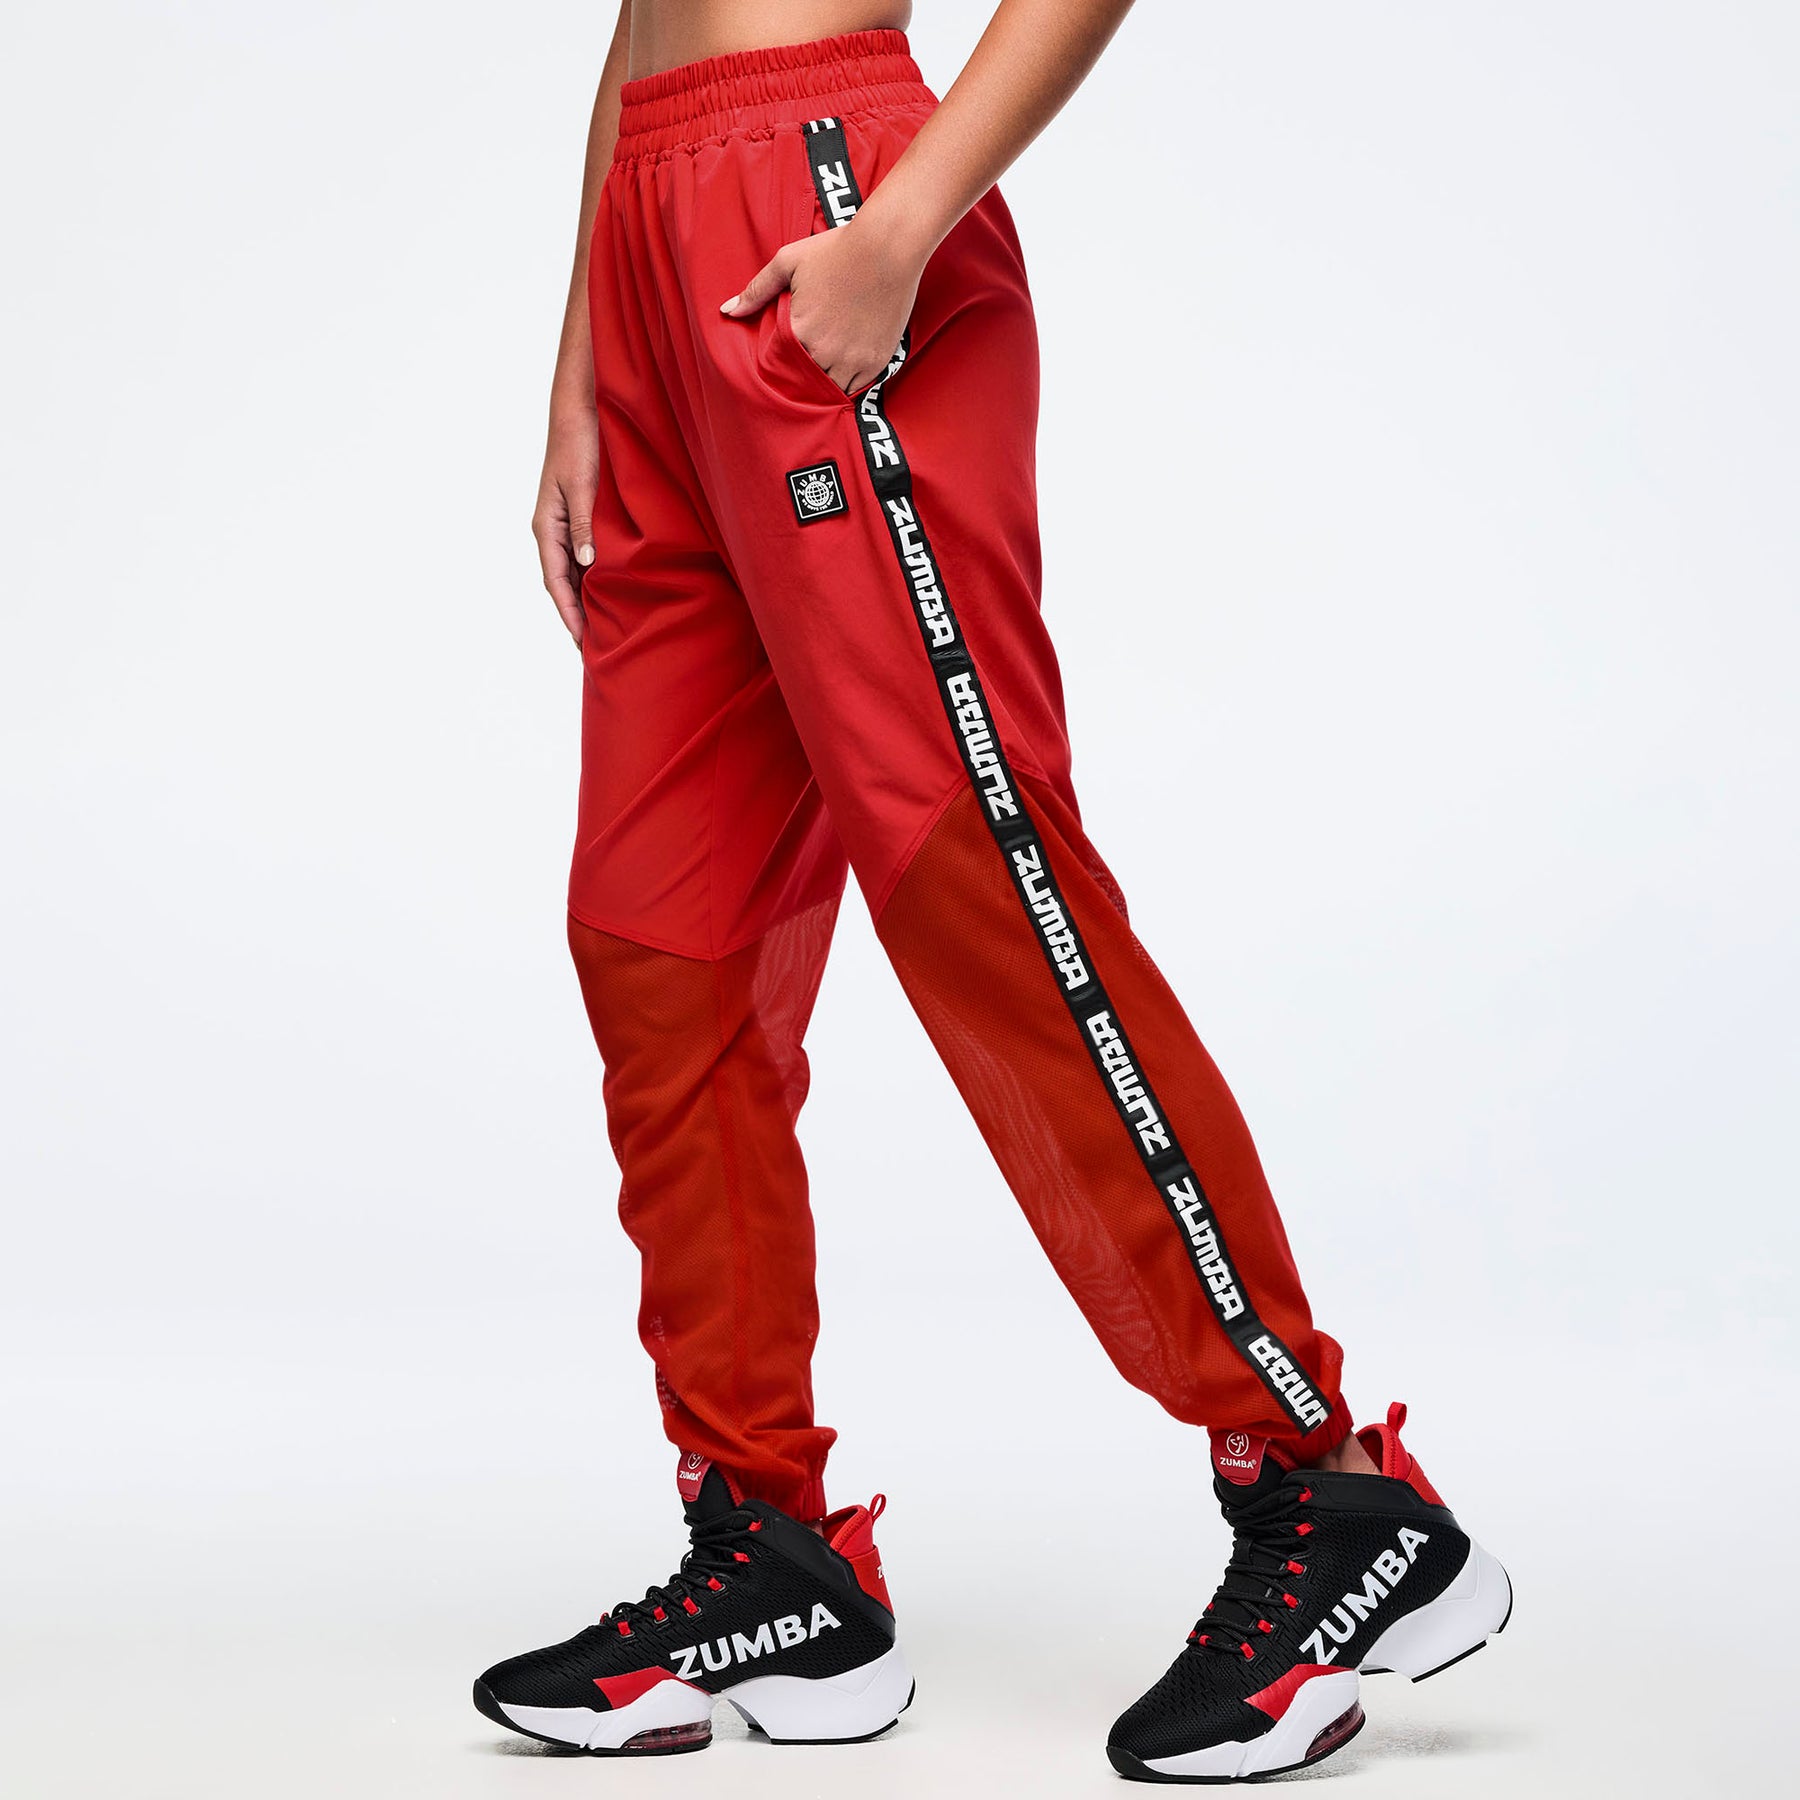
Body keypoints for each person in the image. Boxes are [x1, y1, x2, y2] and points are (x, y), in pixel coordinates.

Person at [473, 1, 1511, 1780]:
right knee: (658, 936)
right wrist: (585, 348)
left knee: (975, 875)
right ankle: (768, 1552)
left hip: (820, 207)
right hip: (655, 246)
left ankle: (1332, 1494)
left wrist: (899, 227)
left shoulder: (868, 223)